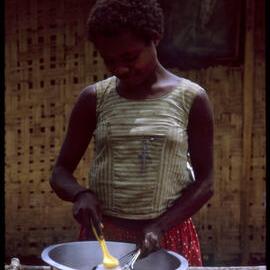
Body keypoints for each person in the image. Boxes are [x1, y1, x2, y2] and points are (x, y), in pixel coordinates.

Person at [50, 0, 214, 266]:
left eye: (129, 57)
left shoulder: (191, 99)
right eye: (109, 60)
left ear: (155, 39)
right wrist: (80, 194)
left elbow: (206, 183)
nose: (120, 69)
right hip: (105, 238)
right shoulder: (94, 99)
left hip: (166, 236)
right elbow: (60, 173)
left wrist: (161, 226)